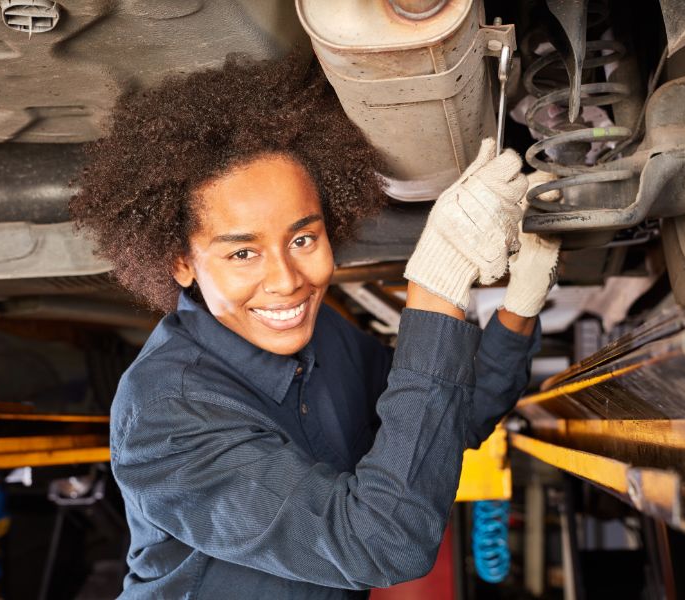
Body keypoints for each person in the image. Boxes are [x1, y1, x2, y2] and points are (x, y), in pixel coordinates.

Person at [70, 55, 559, 599]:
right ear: (181, 262)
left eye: (303, 240)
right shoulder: (164, 420)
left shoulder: (326, 334)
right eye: (243, 254)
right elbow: (379, 544)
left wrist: (521, 303)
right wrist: (437, 284)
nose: (287, 282)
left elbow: (440, 425)